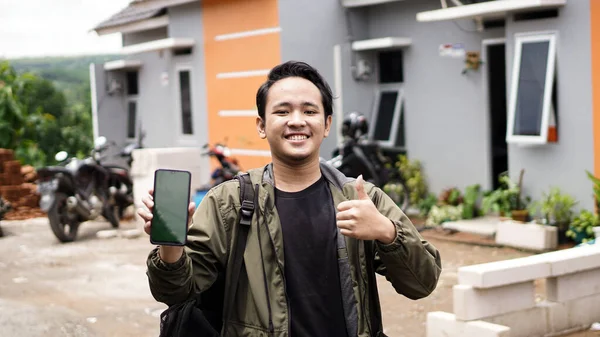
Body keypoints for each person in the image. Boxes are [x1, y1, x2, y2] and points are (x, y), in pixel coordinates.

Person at [138, 61, 442, 336]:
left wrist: (387, 232)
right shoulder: (229, 202)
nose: (296, 121)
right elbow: (176, 292)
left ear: (326, 125)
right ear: (261, 125)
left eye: (309, 111)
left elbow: (422, 283)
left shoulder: (361, 199)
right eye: (282, 111)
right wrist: (170, 247)